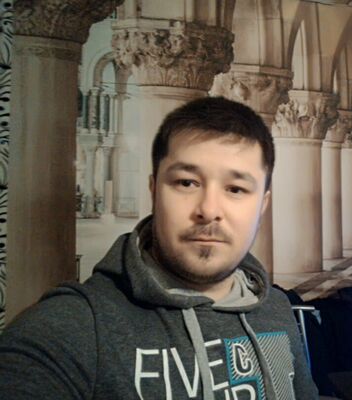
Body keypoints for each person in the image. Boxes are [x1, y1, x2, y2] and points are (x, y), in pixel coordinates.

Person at [0, 97, 318, 399]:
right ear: (154, 191)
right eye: (186, 183)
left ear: (262, 205)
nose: (209, 210)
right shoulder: (73, 329)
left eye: (235, 189)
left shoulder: (274, 308)